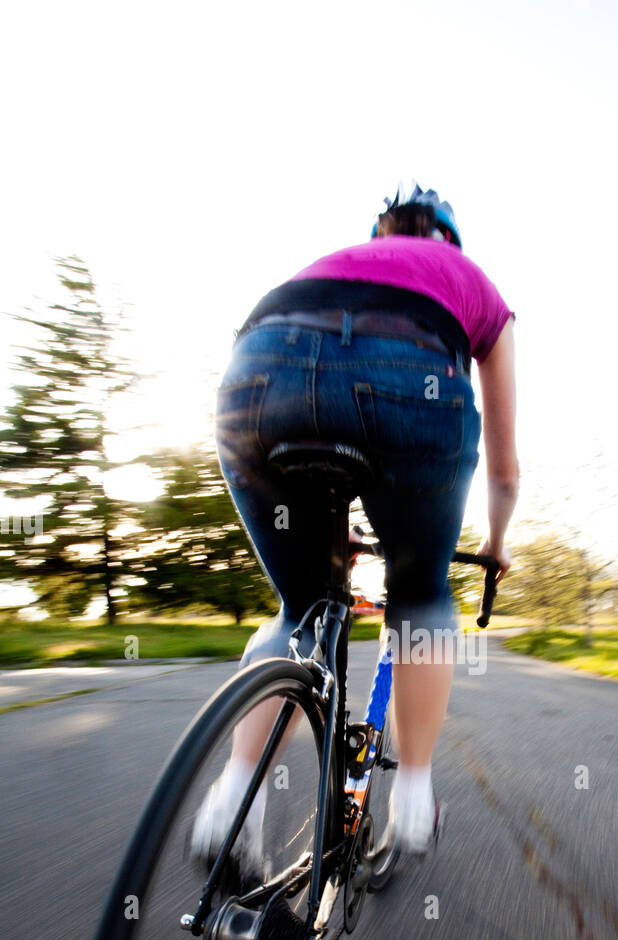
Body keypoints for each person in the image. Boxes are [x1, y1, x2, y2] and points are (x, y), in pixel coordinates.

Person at [194, 182, 519, 872]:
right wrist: (493, 544)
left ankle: (234, 799)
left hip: (258, 377)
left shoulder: (334, 261)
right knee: (421, 595)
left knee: (303, 603)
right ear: (449, 240)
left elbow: (304, 360)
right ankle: (413, 796)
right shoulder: (470, 281)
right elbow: (504, 469)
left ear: (381, 233)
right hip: (409, 386)